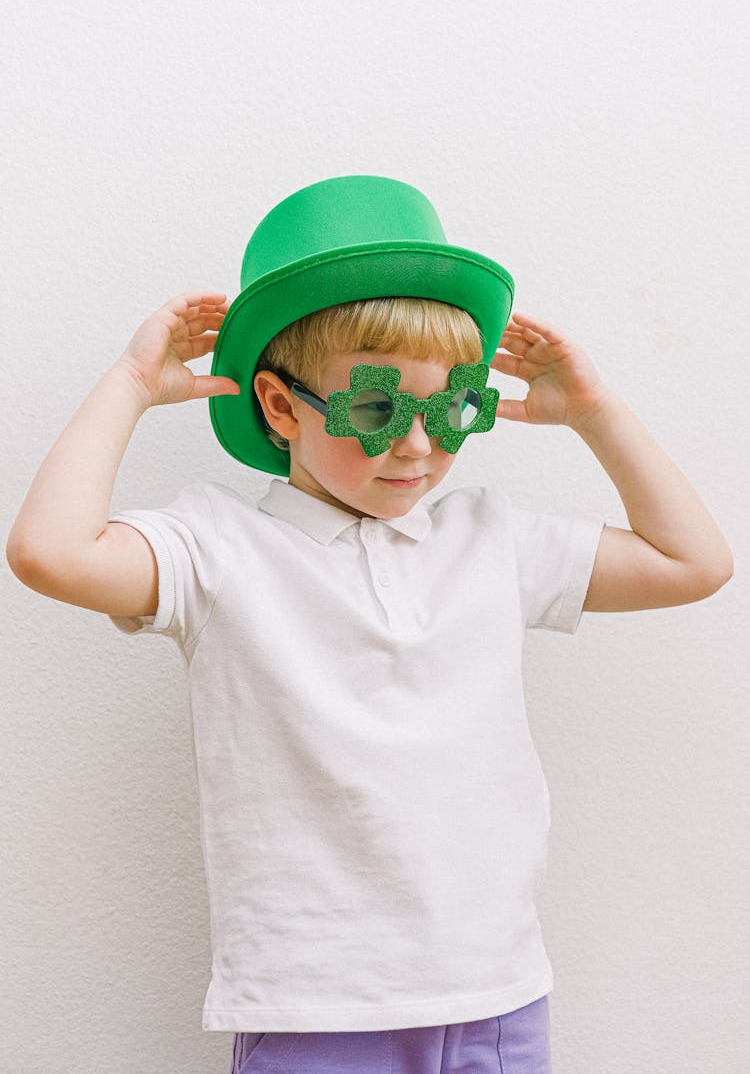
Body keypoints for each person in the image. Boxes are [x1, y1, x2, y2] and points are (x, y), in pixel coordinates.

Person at [6, 176, 733, 1074]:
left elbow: (693, 562)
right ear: (280, 407)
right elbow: (50, 549)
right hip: (317, 1006)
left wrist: (595, 412)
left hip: (497, 995)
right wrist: (127, 385)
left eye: (452, 406)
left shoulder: (490, 539)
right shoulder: (218, 549)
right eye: (379, 408)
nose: (419, 447)